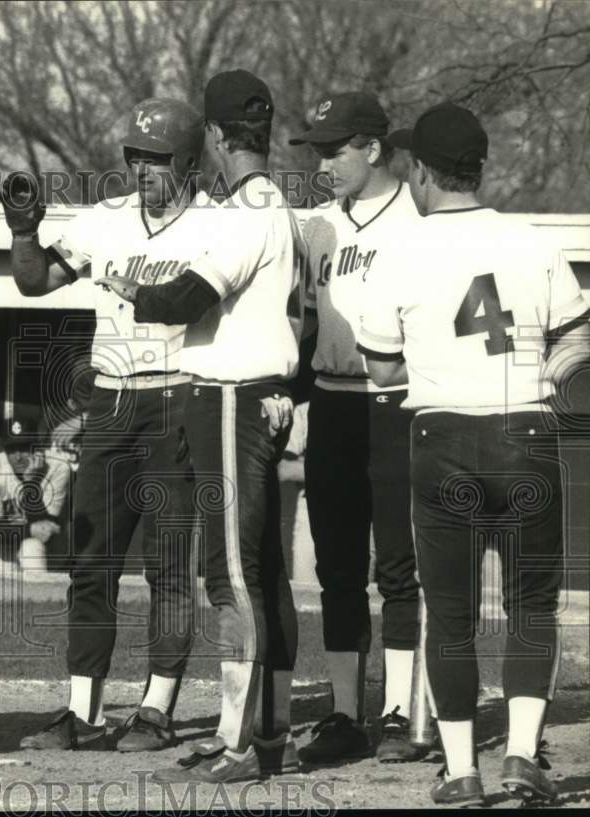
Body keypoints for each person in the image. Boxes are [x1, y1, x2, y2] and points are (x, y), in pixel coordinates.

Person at [357, 101, 589, 806]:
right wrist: (557, 361)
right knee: (529, 606)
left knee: (451, 611)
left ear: (423, 171)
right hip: (524, 431)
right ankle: (521, 757)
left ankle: (461, 768)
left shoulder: (401, 249)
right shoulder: (531, 240)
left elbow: (382, 370)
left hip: (443, 434)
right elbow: (581, 333)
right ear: (479, 169)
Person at [101, 70, 304, 783]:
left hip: (230, 396)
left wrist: (135, 289)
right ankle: (261, 730)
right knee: (259, 570)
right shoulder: (270, 204)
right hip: (252, 391)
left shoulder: (250, 206)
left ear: (215, 137)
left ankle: (241, 742)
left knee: (232, 574)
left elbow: (188, 296)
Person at [0, 97, 203, 753]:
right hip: (112, 400)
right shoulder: (106, 219)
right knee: (91, 560)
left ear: (190, 159)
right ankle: (83, 710)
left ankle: (156, 707)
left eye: (158, 157)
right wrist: (23, 232)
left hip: (179, 396)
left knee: (169, 565)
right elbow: (35, 282)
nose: (144, 167)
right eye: (135, 155)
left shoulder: (215, 225)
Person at [288, 92, 425, 764]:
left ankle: (401, 714)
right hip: (333, 402)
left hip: (400, 403)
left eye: (334, 148)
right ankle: (346, 714)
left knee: (401, 567)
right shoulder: (315, 227)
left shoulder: (421, 218)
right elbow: (304, 321)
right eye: (316, 148)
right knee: (338, 568)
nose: (323, 161)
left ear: (372, 147)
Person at [0, 413, 79, 573]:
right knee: (3, 547)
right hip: (10, 543)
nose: (18, 457)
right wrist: (27, 530)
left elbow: (47, 530)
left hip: (52, 549)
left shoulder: (57, 467)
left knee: (31, 547)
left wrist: (30, 483)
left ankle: (41, 595)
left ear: (37, 446)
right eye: (12, 449)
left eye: (24, 448)